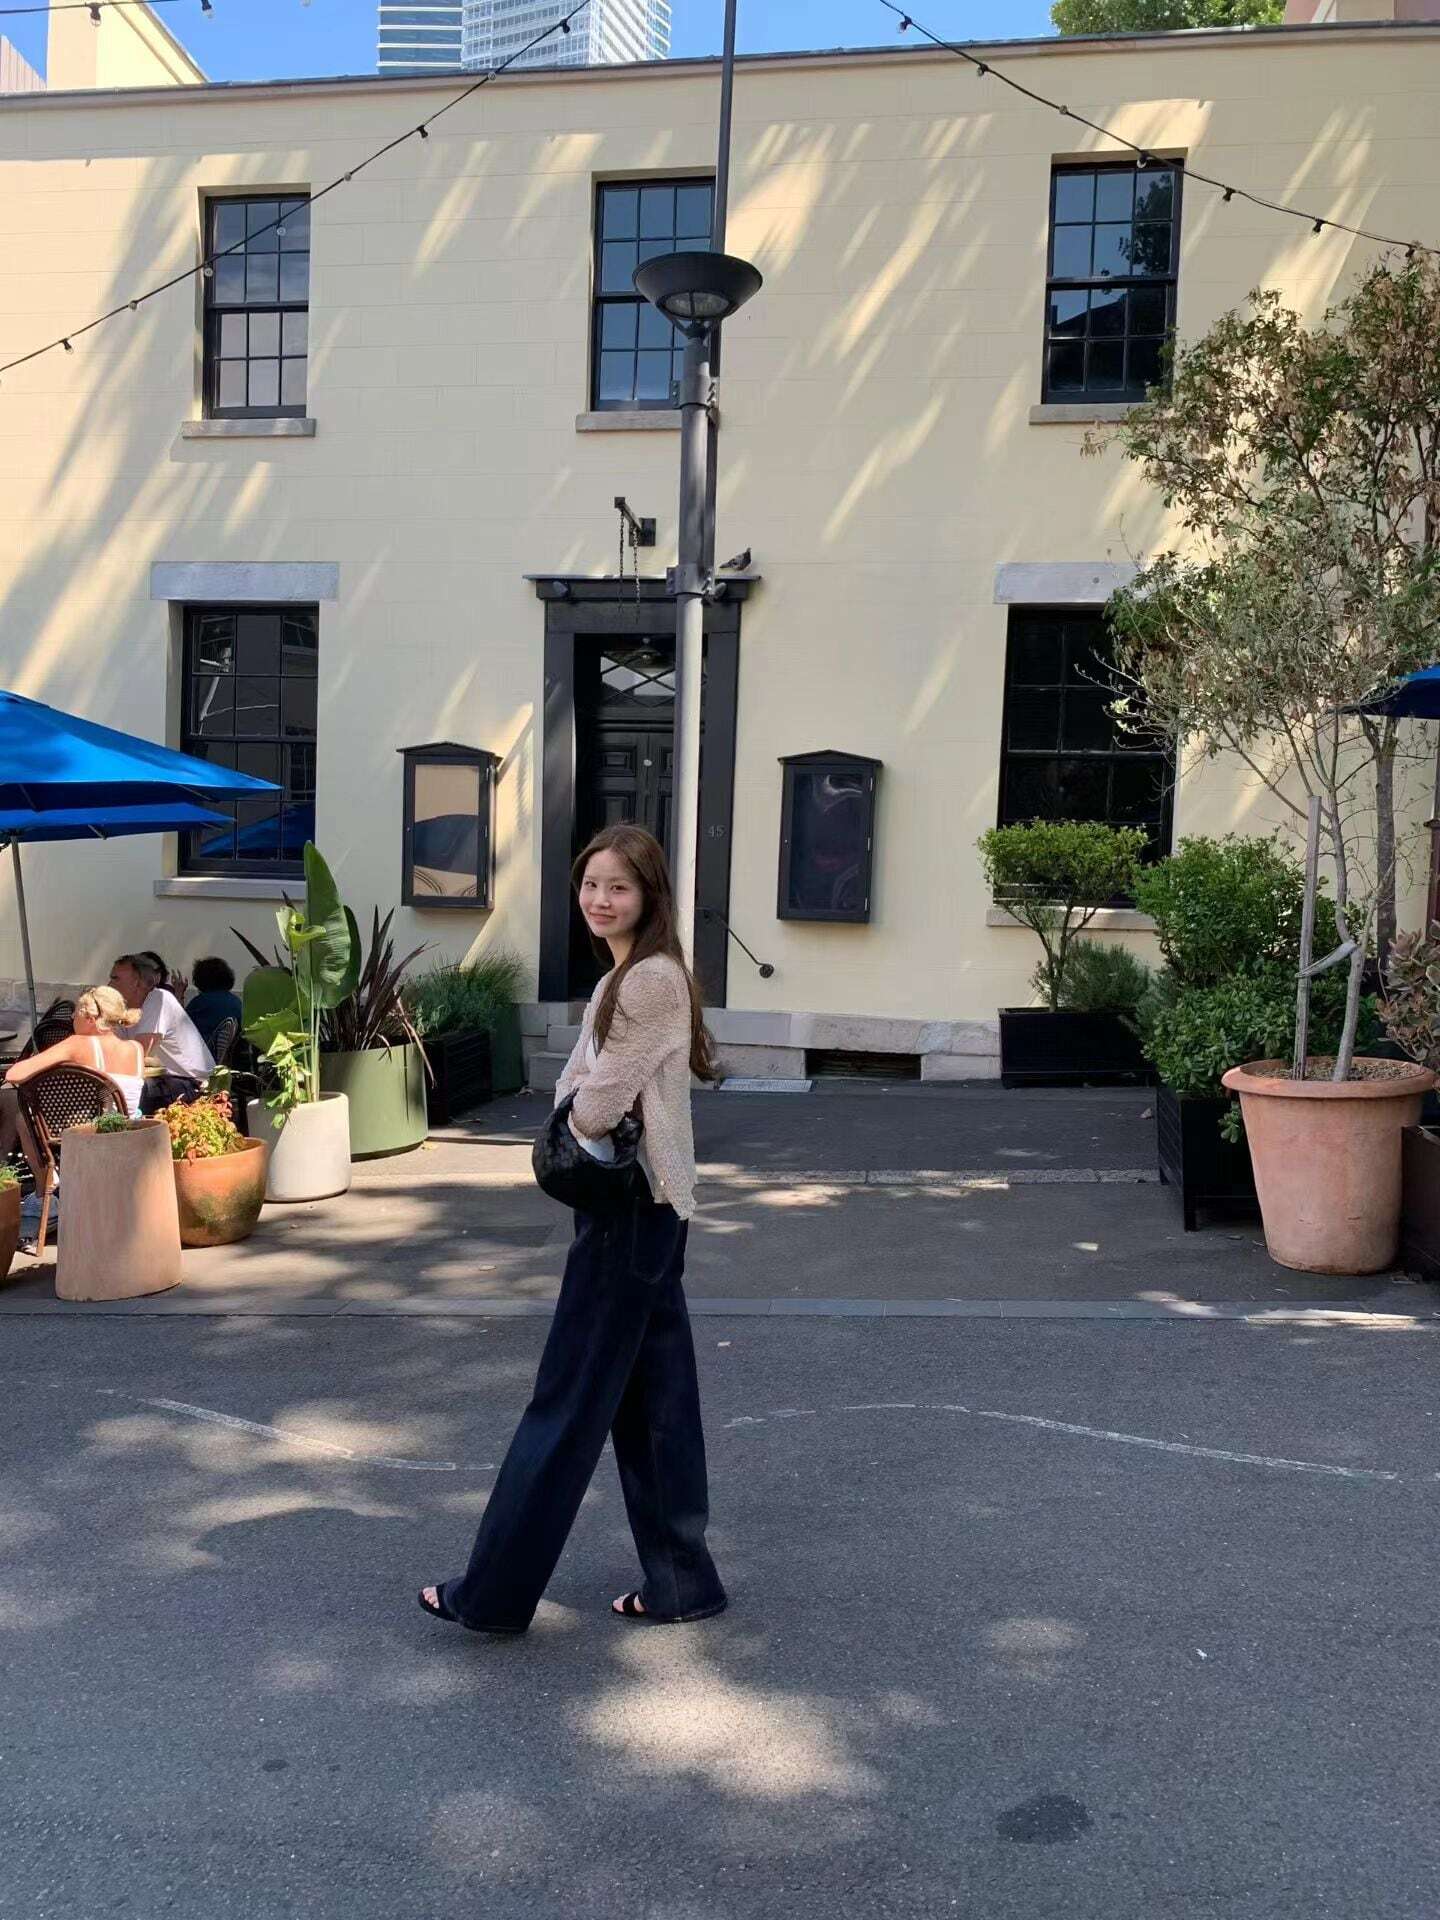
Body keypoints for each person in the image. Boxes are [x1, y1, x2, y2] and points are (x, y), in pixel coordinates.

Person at [419, 823, 728, 1635]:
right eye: (591, 884)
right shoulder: (628, 975)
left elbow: (594, 1101)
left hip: (629, 1213)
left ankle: (491, 1595)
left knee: (565, 1403)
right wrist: (576, 1093)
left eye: (618, 887)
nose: (600, 899)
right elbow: (582, 1082)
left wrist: (569, 1109)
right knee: (655, 1404)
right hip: (650, 1212)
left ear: (650, 896)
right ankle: (682, 1581)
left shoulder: (648, 981)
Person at [0, 984, 148, 1179]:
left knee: (22, 1118)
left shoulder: (78, 1043)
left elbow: (14, 1074)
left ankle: (45, 1185)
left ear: (90, 1018)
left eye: (76, 1012)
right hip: (126, 1133)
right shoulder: (136, 1049)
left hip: (87, 1133)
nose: (71, 1017)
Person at [109, 952, 214, 1112]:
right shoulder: (125, 1008)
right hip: (167, 1080)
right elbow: (113, 1049)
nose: (109, 984)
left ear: (137, 983)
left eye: (115, 978)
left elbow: (138, 1054)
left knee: (125, 1090)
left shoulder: (158, 999)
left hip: (194, 1084)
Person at [176, 957, 242, 1058]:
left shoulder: (199, 1003)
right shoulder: (237, 1002)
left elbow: (178, 1027)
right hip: (230, 1060)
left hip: (201, 1058)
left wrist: (179, 994)